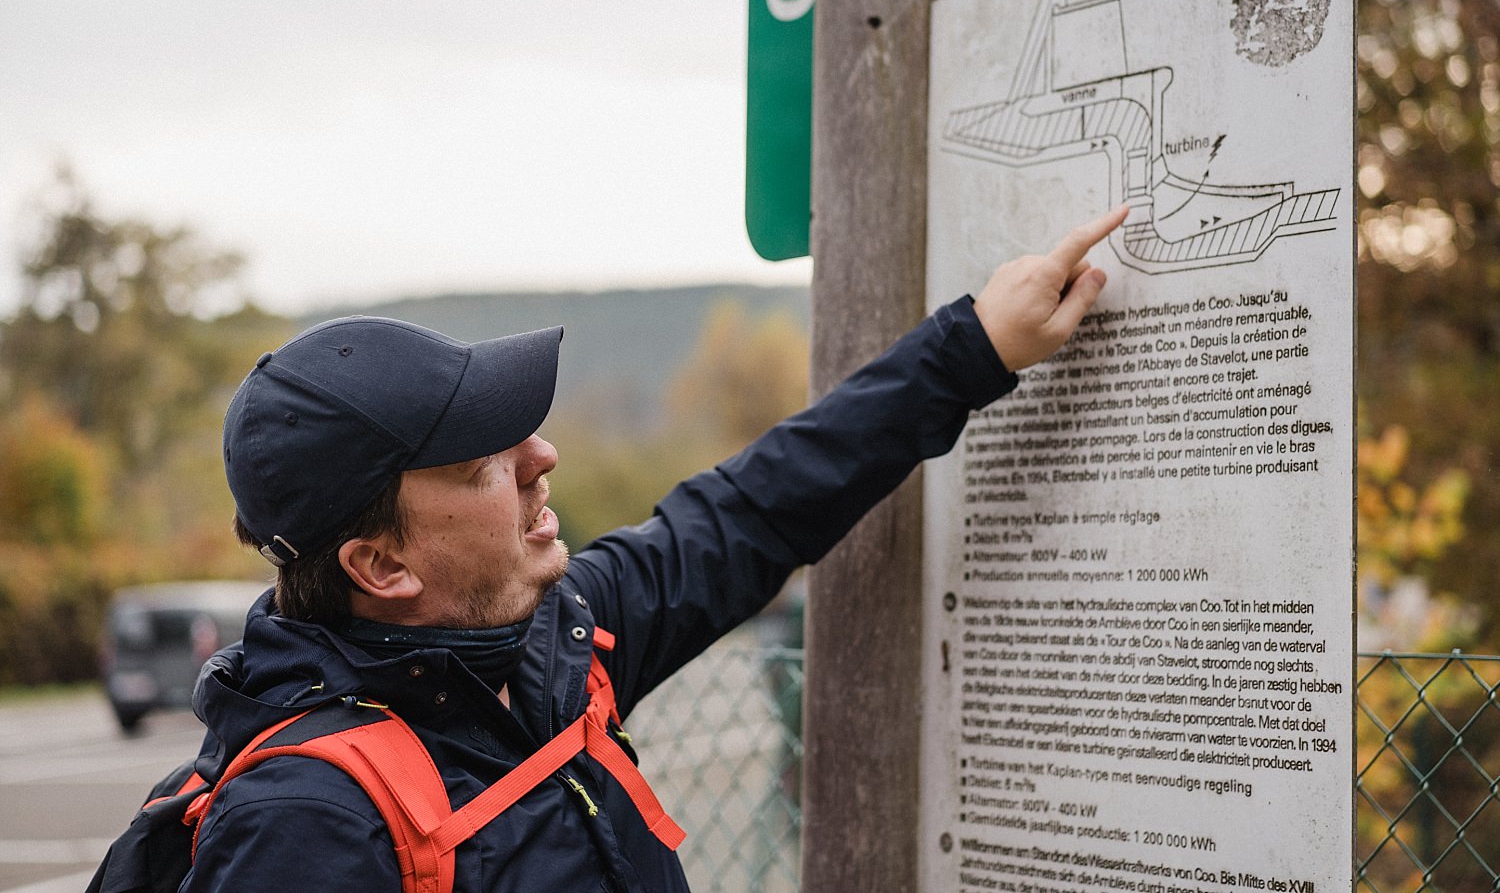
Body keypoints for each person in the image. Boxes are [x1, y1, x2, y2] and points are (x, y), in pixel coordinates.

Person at [185, 206, 1127, 892]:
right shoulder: (301, 826)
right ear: (381, 567)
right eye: (483, 462)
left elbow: (750, 511)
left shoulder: (556, 642)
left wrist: (973, 349)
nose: (541, 457)